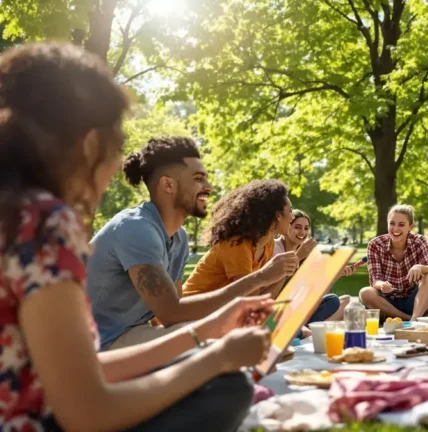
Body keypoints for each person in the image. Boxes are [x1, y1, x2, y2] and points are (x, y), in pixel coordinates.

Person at [0, 42, 273, 431]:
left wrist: (204, 334)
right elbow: (86, 412)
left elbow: (84, 371)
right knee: (226, 387)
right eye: (115, 144)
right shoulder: (44, 222)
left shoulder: (15, 215)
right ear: (90, 143)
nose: (114, 168)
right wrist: (215, 358)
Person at [88, 138, 297, 350]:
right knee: (218, 349)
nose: (208, 187)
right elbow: (171, 312)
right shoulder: (136, 229)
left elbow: (176, 318)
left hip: (131, 333)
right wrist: (261, 277)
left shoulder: (178, 238)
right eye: (198, 179)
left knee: (229, 342)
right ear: (168, 184)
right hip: (94, 343)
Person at [184, 183, 341, 330]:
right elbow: (250, 305)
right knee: (283, 328)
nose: (292, 217)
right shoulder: (237, 245)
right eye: (290, 211)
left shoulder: (268, 245)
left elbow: (264, 299)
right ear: (277, 216)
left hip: (224, 316)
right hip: (193, 319)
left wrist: (283, 270)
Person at [359, 205, 428, 321]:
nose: (395, 229)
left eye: (401, 225)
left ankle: (415, 317)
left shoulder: (419, 241)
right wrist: (382, 285)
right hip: (388, 303)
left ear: (410, 226)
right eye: (392, 223)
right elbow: (374, 280)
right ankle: (412, 320)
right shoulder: (375, 244)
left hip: (414, 303)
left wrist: (420, 267)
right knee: (365, 292)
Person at [274, 209, 352, 321]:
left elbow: (315, 290)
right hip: (281, 307)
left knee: (342, 301)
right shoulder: (275, 248)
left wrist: (337, 274)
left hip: (299, 305)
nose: (302, 232)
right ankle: (309, 330)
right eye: (297, 227)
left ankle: (309, 330)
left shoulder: (307, 252)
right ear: (287, 227)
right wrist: (298, 256)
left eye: (306, 228)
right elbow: (277, 289)